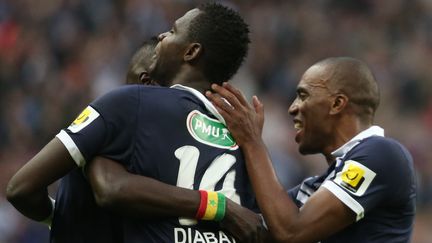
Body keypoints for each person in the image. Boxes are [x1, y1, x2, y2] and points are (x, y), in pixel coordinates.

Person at [7, 2, 265, 243]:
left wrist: (64, 218)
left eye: (172, 31)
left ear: (192, 51)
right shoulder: (245, 139)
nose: (162, 36)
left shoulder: (130, 103)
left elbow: (21, 188)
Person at [206, 57, 416, 242]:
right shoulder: (316, 186)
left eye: (303, 96)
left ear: (337, 104)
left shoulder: (382, 154)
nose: (292, 108)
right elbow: (254, 224)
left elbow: (290, 232)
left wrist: (253, 142)